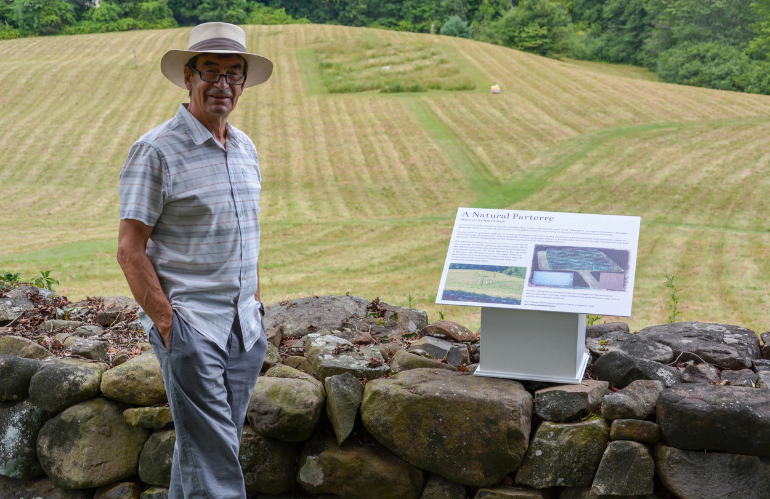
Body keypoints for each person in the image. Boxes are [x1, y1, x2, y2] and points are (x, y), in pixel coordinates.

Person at [116, 22, 273, 499]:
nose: (222, 84)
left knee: (203, 449)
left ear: (243, 83)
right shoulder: (155, 150)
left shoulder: (244, 149)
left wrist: (257, 307)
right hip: (192, 326)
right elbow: (129, 248)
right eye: (211, 71)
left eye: (233, 73)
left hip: (244, 329)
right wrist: (168, 324)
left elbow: (247, 237)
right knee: (214, 456)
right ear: (188, 76)